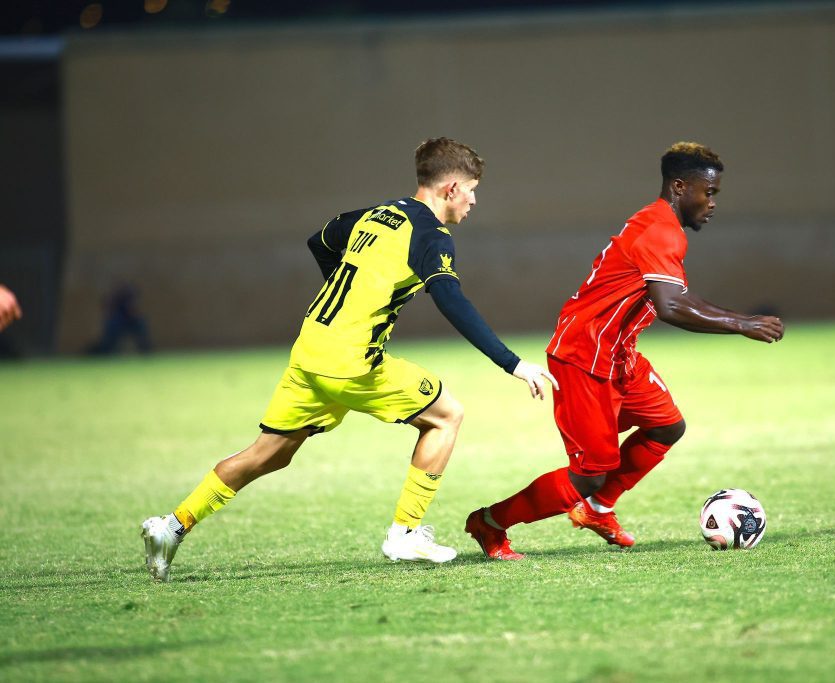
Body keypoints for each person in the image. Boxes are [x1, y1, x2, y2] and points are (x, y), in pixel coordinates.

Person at [141, 138, 557, 581]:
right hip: (352, 361)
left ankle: (172, 525)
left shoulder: (377, 215)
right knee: (446, 416)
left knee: (269, 455)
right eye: (472, 189)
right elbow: (452, 300)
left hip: (310, 351)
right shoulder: (431, 236)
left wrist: (352, 293)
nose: (474, 200)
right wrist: (513, 364)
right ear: (451, 188)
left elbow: (320, 240)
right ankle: (406, 532)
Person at [465, 141, 784, 560]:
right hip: (584, 357)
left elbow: (679, 297)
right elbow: (671, 308)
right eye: (709, 193)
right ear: (679, 186)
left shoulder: (660, 226)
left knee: (667, 426)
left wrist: (738, 319)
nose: (712, 203)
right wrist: (741, 324)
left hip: (618, 354)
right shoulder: (660, 231)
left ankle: (597, 510)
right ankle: (489, 522)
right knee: (589, 474)